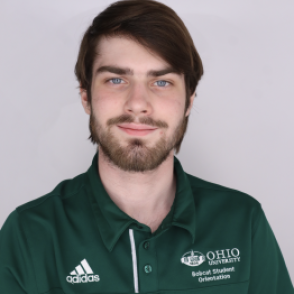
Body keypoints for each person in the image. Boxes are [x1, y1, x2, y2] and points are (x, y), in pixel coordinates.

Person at [0, 0, 293, 293]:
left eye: (161, 82)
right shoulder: (28, 235)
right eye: (116, 79)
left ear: (188, 102)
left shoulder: (243, 222)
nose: (138, 104)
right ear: (86, 96)